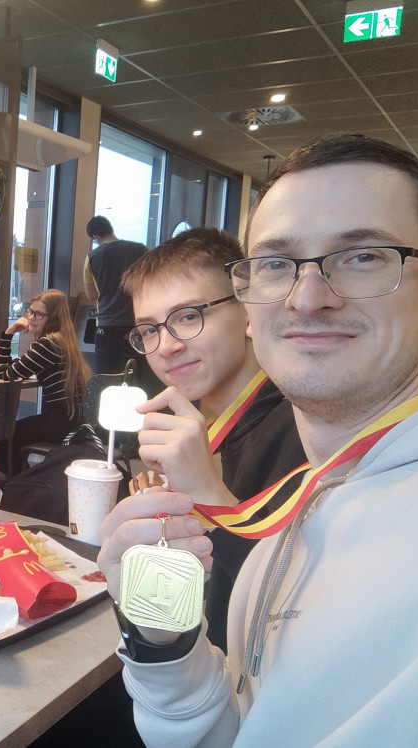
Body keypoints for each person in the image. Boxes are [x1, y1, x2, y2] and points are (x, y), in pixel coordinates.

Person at [97, 134, 418, 745]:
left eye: (364, 256)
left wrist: (211, 498)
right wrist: (164, 636)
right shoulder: (316, 491)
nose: (308, 298)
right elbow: (243, 726)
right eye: (277, 265)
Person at [119, 227, 305, 650]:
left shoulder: (302, 426)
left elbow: (297, 613)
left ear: (249, 311)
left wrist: (205, 491)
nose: (165, 347)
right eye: (148, 330)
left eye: (187, 316)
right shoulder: (198, 425)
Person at [0, 289, 91, 476]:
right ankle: (24, 478)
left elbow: (4, 374)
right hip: (74, 420)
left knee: (2, 439)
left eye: (38, 314)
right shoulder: (62, 341)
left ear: (53, 318)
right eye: (30, 311)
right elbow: (12, 371)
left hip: (59, 423)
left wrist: (8, 334)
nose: (31, 318)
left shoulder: (47, 344)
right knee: (11, 436)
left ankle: (18, 483)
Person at [82, 215, 146, 375]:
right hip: (135, 323)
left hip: (106, 325)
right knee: (134, 376)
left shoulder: (92, 257)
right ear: (110, 229)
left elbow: (91, 295)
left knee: (105, 377)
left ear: (96, 237)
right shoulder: (139, 249)